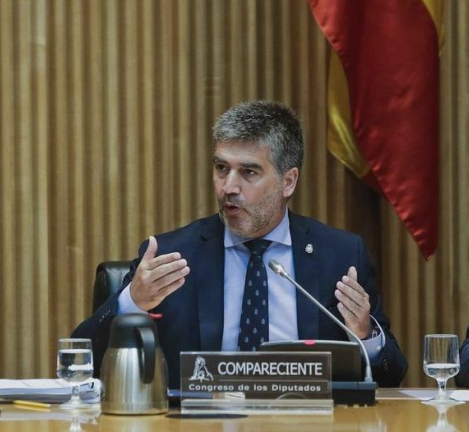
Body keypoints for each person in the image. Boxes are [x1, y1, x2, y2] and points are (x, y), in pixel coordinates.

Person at [72, 100, 408, 389]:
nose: (228, 187)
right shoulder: (171, 256)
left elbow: (392, 376)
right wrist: (133, 301)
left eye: (248, 172)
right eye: (221, 168)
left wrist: (365, 336)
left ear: (288, 181)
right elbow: (81, 359)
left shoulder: (339, 256)